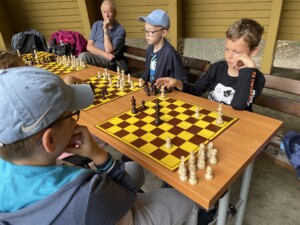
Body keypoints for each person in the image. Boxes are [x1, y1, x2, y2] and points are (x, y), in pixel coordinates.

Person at [0, 67, 198, 224]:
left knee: (135, 168)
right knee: (187, 201)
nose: (77, 122)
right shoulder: (87, 193)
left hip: (83, 210)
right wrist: (97, 154)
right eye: (72, 116)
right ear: (49, 141)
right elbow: (128, 194)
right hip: (115, 212)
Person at [155, 18, 266, 112]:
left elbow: (239, 105)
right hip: (213, 119)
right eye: (227, 49)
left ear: (253, 51)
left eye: (237, 52)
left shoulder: (257, 78)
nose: (229, 56)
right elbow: (196, 90)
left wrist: (249, 70)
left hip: (238, 126)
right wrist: (178, 83)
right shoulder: (216, 68)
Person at [138, 9, 188, 85]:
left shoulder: (171, 53)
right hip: (151, 90)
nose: (147, 34)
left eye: (151, 31)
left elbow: (181, 82)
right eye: (146, 31)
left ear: (164, 33)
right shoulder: (149, 49)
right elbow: (148, 72)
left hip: (164, 94)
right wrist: (143, 78)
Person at [78, 0, 128, 73]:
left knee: (84, 57)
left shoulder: (120, 30)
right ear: (102, 13)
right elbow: (89, 46)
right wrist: (104, 54)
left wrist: (105, 29)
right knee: (82, 57)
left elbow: (108, 50)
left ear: (115, 13)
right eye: (104, 12)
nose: (107, 15)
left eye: (109, 12)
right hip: (99, 57)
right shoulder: (97, 25)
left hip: (111, 62)